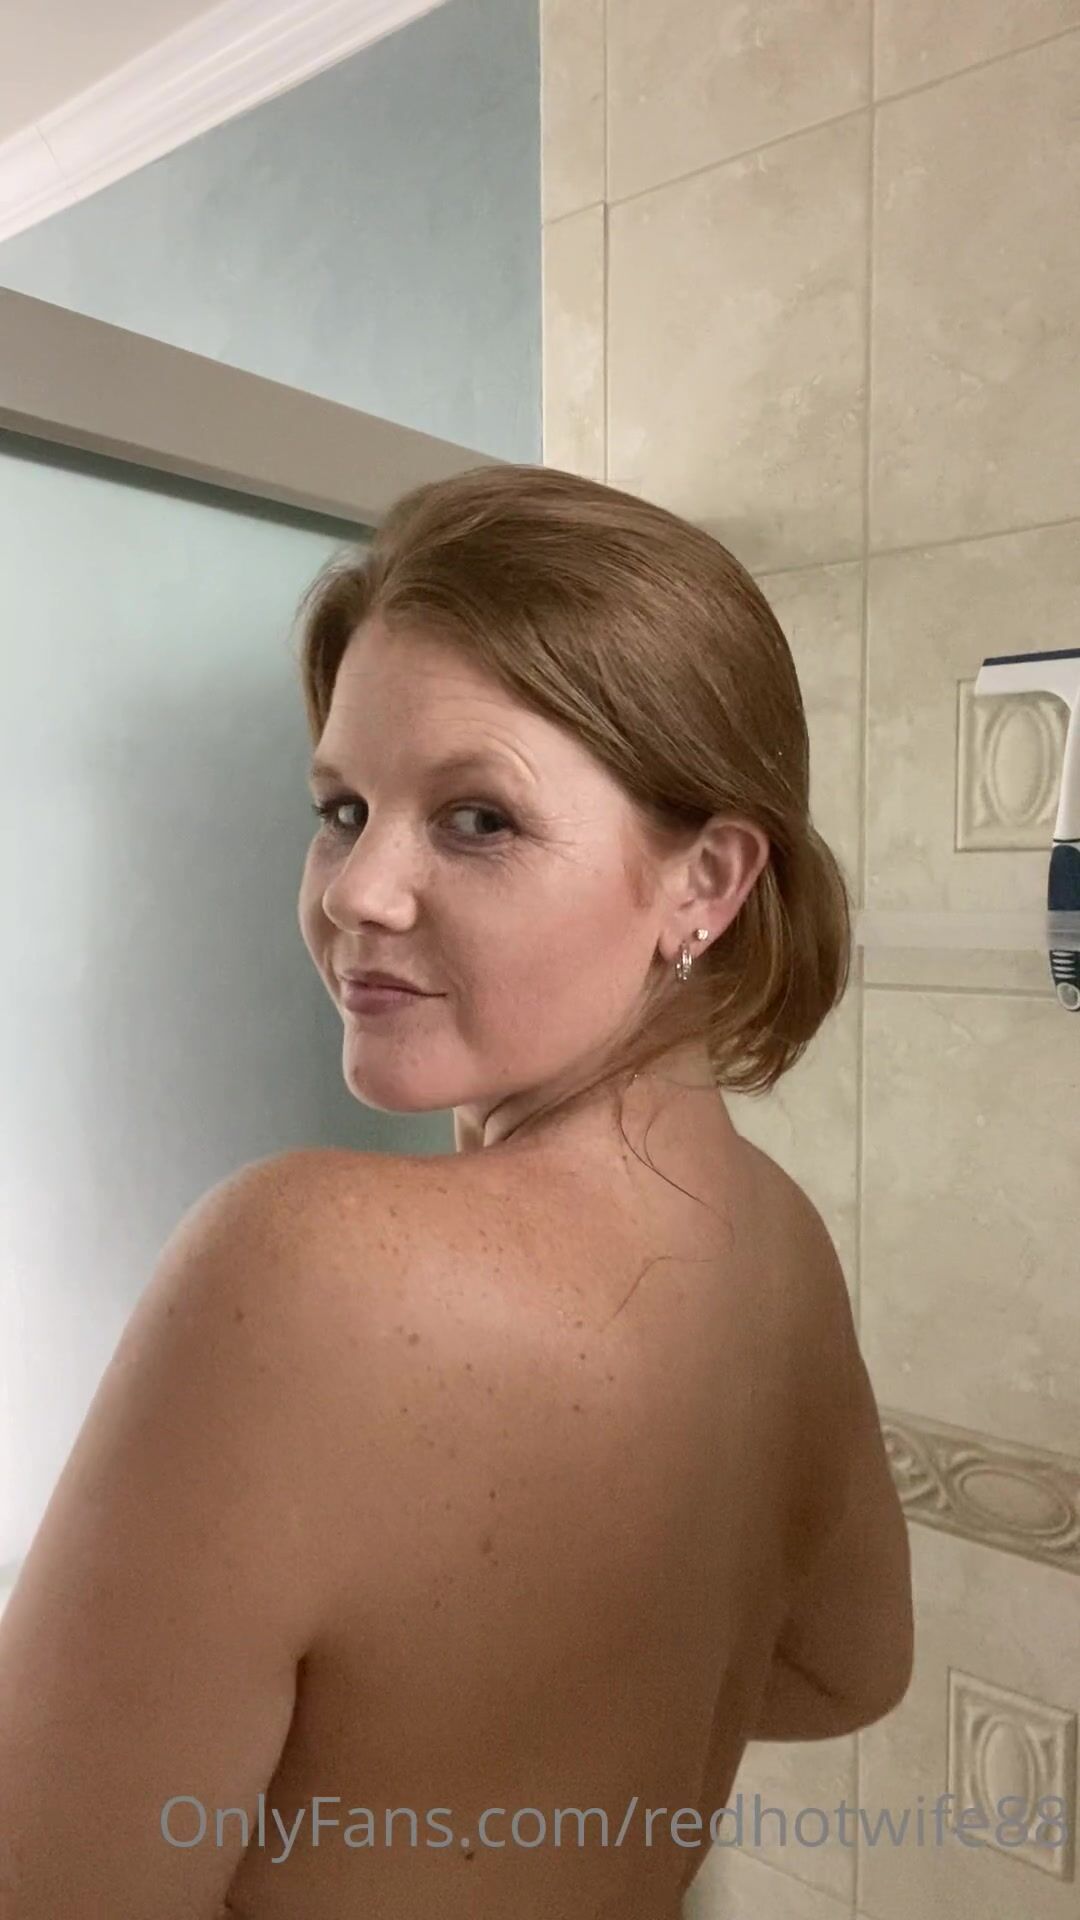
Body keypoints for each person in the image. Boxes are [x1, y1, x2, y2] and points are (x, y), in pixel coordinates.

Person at [0, 463, 913, 1919]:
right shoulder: (781, 1249)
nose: (356, 889)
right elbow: (851, 1667)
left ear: (707, 881)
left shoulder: (303, 1266)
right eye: (343, 806)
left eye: (477, 818)